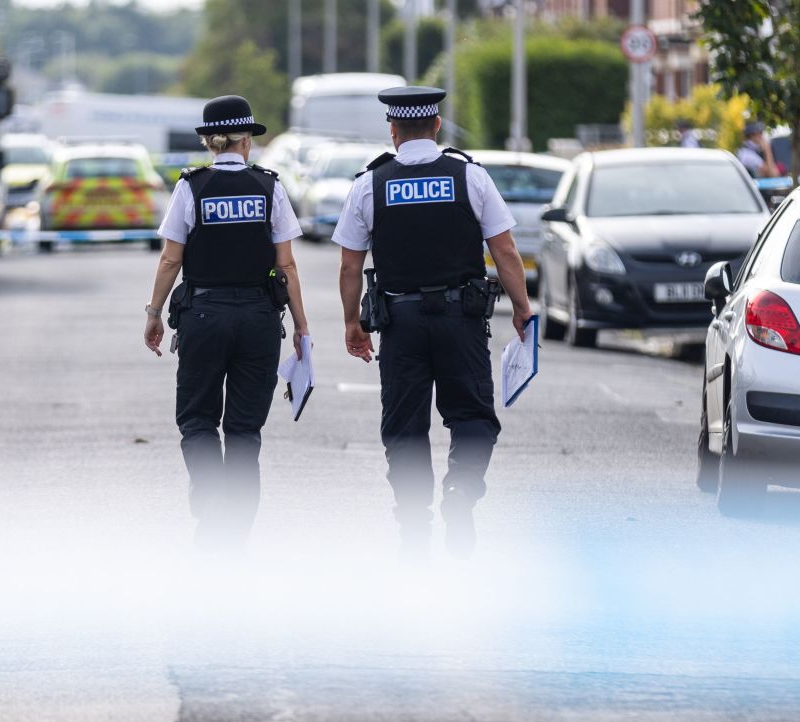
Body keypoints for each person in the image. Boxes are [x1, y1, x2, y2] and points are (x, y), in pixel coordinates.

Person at [332, 86, 532, 559]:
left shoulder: (369, 184)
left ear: (394, 130)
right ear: (437, 125)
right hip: (461, 321)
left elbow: (348, 266)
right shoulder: (469, 176)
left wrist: (351, 324)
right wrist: (522, 308)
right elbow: (503, 250)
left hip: (399, 323)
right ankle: (461, 497)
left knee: (404, 426)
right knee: (472, 418)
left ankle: (413, 522)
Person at [143, 95, 310, 551]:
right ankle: (236, 525)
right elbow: (288, 267)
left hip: (202, 316)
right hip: (258, 319)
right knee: (243, 429)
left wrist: (154, 313)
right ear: (245, 142)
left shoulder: (190, 188)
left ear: (209, 142)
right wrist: (301, 328)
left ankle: (210, 497)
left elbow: (170, 258)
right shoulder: (270, 187)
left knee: (197, 419)